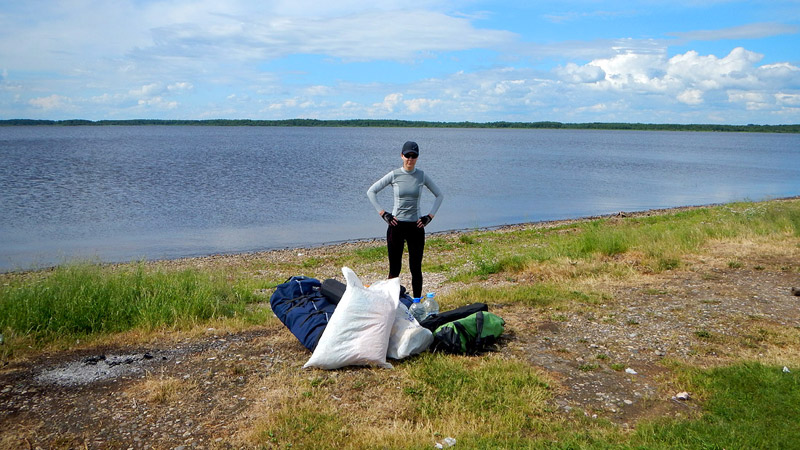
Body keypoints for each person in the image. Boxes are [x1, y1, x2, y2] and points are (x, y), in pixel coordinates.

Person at [367, 141, 444, 299]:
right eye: (407, 155)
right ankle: (390, 304)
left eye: (413, 155)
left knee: (416, 268)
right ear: (402, 156)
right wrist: (383, 214)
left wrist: (429, 217)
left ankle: (417, 303)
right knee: (394, 269)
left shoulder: (421, 176)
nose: (410, 158)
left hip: (416, 227)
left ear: (417, 157)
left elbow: (439, 195)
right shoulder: (395, 174)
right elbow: (371, 191)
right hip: (396, 226)